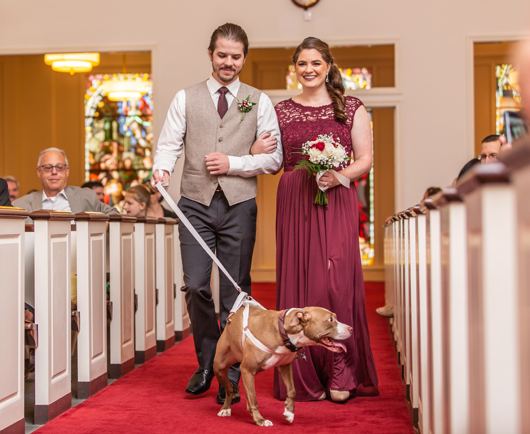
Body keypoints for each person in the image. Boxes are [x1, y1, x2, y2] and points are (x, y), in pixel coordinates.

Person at [152, 23, 283, 405]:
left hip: (239, 206)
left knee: (235, 292)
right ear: (211, 54)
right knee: (195, 285)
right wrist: (162, 168)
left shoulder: (258, 101)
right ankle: (208, 361)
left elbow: (274, 159)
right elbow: (169, 144)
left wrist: (235, 162)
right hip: (194, 203)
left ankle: (232, 371)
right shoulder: (185, 98)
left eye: (236, 56)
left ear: (244, 57)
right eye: (222, 55)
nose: (229, 62)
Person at [271, 37, 378, 403]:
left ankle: (340, 372)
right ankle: (300, 375)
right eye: (302, 63)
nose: (309, 69)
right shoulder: (282, 109)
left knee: (336, 282)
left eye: (316, 63)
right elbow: (271, 157)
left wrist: (338, 175)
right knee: (300, 279)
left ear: (328, 66)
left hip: (336, 198)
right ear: (295, 68)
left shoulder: (350, 107)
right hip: (295, 198)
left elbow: (365, 158)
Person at [13, 147, 117, 216]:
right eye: (48, 167)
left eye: (59, 167)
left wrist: (104, 223)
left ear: (67, 171)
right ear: (39, 172)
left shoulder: (86, 197)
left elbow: (115, 215)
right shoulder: (20, 206)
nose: (54, 172)